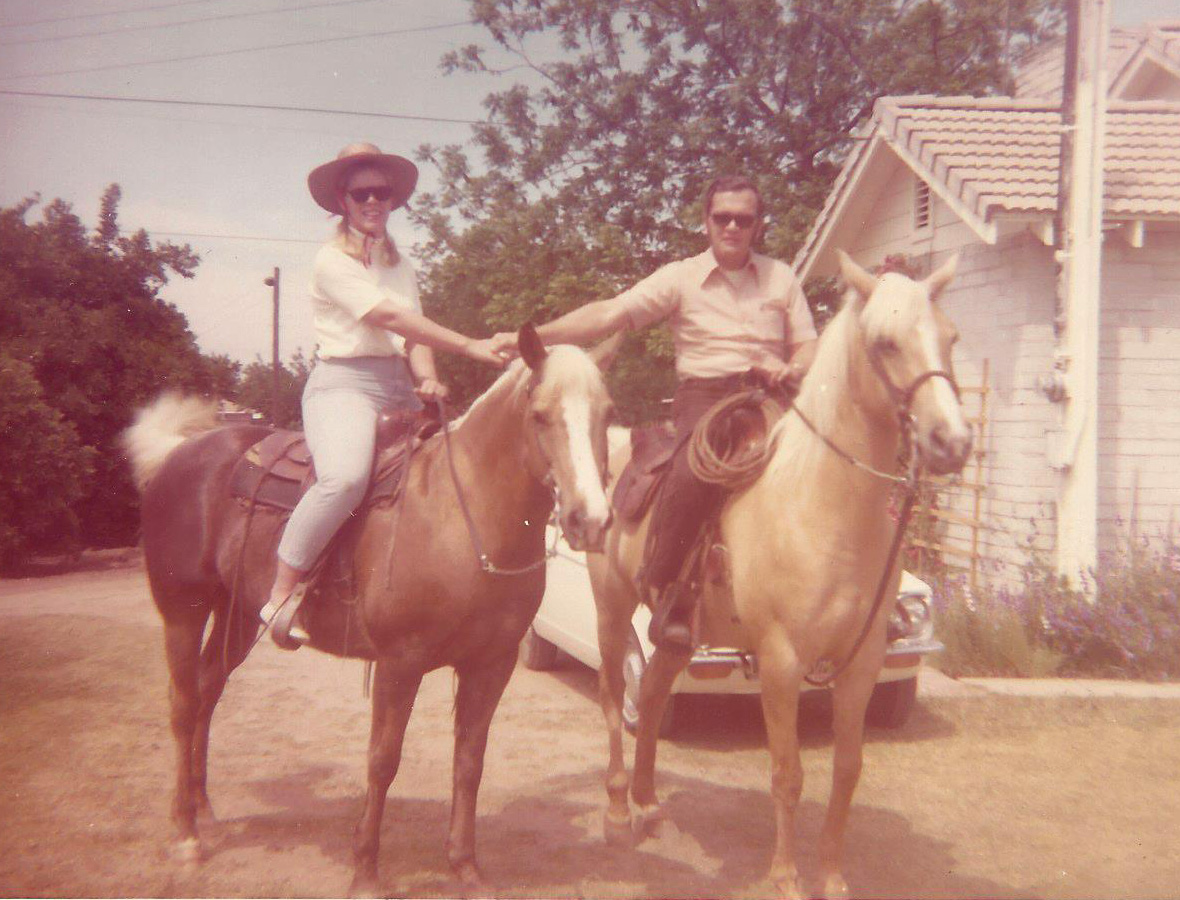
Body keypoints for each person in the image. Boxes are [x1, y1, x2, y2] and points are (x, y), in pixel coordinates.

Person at [491, 175, 818, 650]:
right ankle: (670, 591)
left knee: (831, 464)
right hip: (707, 396)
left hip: (773, 395)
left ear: (757, 225)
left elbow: (807, 343)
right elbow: (611, 313)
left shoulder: (781, 277)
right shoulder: (681, 277)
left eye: (743, 219)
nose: (732, 226)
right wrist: (538, 337)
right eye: (722, 217)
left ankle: (855, 596)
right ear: (706, 222)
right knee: (690, 470)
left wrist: (793, 367)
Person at [260, 142, 505, 646]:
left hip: (398, 383)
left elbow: (413, 333)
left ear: (393, 199)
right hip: (344, 384)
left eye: (382, 192)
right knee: (345, 478)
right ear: (342, 201)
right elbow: (389, 317)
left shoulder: (401, 265)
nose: (373, 201)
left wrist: (427, 375)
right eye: (361, 193)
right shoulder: (331, 261)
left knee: (454, 472)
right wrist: (468, 346)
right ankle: (281, 592)